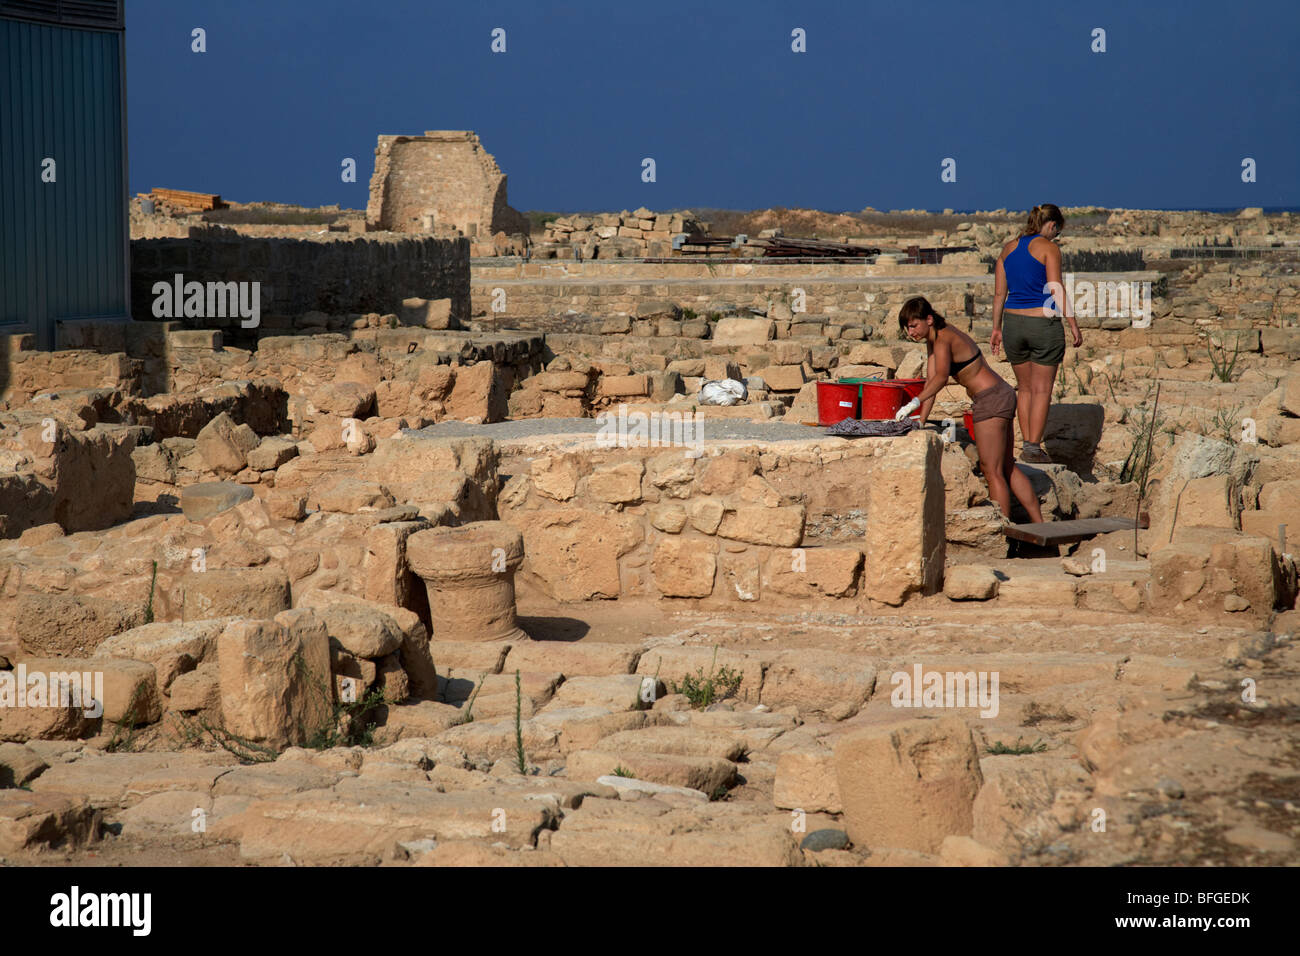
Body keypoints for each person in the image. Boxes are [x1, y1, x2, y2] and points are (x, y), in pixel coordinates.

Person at [894, 296, 1044, 524]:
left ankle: (1001, 530)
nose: (910, 332)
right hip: (1000, 394)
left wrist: (913, 403)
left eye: (913, 325)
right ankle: (1039, 524)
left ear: (929, 319)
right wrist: (919, 421)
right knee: (1006, 466)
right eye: (907, 328)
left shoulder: (944, 339)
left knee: (991, 470)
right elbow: (931, 383)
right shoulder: (934, 339)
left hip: (990, 400)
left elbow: (942, 378)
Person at [991, 203, 1083, 463]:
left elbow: (999, 294)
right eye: (1057, 231)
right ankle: (1033, 447)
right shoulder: (1049, 248)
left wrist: (996, 328)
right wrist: (1073, 323)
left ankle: (1025, 446)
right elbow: (1055, 287)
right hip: (1042, 324)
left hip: (1012, 324)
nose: (1056, 236)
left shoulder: (1007, 249)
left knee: (1026, 389)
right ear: (1051, 225)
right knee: (1042, 389)